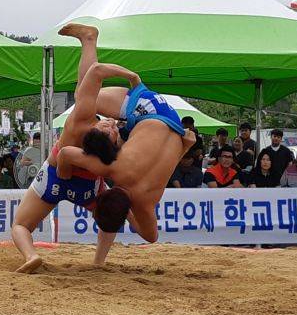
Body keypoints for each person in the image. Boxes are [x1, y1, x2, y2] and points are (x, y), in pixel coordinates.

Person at [52, 24, 196, 270]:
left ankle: (89, 40)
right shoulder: (114, 170)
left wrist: (184, 147)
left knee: (85, 97)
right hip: (148, 110)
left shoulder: (146, 203)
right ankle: (89, 40)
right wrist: (63, 172)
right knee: (83, 97)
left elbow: (152, 236)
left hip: (175, 127)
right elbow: (65, 153)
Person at [13, 24, 132, 274]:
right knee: (110, 213)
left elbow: (95, 76)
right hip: (85, 185)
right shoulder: (110, 153)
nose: (112, 123)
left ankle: (31, 254)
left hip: (56, 177)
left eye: (112, 128)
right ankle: (98, 261)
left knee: (21, 225)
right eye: (112, 125)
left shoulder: (80, 122)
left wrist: (132, 77)